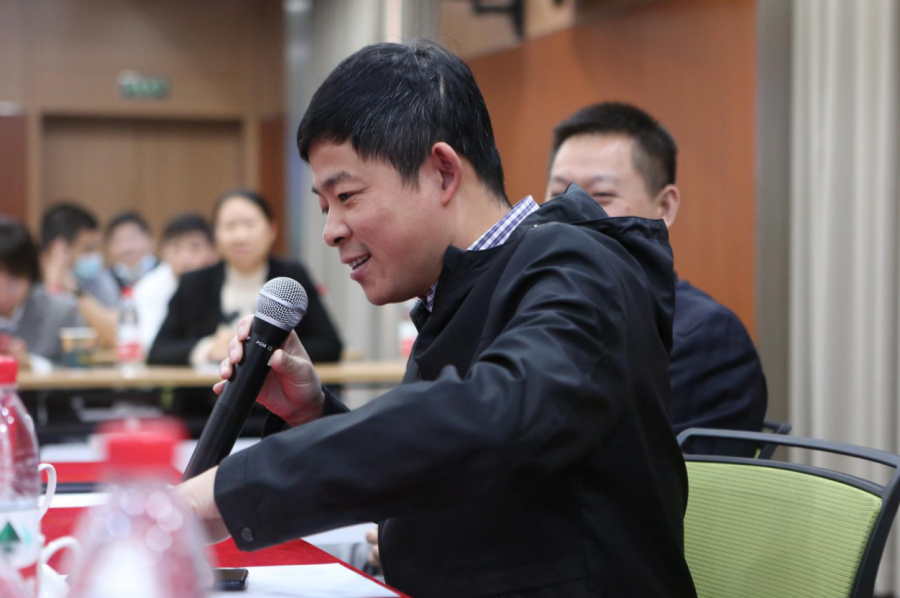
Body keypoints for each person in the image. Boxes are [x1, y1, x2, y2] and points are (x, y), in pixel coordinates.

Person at [178, 41, 696, 598]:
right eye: (326, 206)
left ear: (444, 172)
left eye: (347, 195)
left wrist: (232, 487)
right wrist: (313, 413)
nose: (331, 230)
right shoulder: (458, 288)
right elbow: (440, 474)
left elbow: (491, 416)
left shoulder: (579, 268)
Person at [546, 102, 767, 455]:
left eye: (602, 195)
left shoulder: (707, 337)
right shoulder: (532, 312)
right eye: (558, 195)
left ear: (664, 207)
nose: (571, 212)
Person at [148, 190, 343, 366]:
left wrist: (265, 349)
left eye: (249, 224)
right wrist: (209, 348)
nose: (240, 236)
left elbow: (329, 346)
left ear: (271, 230)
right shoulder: (195, 282)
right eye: (230, 226)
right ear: (215, 235)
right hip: (209, 392)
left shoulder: (291, 276)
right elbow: (159, 350)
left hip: (278, 390)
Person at [0, 218, 83, 366]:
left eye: (13, 280)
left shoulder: (62, 312)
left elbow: (80, 371)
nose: (2, 290)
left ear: (30, 276)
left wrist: (32, 364)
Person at [133, 214, 218, 353]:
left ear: (212, 251)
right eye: (176, 248)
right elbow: (148, 343)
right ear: (163, 252)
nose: (185, 257)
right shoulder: (148, 288)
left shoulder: (220, 279)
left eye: (194, 247)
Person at [40, 203, 120, 346]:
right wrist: (53, 286)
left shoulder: (98, 278)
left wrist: (75, 293)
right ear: (58, 248)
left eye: (97, 248)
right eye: (88, 248)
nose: (96, 255)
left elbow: (117, 334)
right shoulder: (27, 280)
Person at [105, 211, 159, 289]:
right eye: (120, 240)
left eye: (133, 238)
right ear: (110, 247)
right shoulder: (106, 278)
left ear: (150, 240)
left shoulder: (166, 271)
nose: (128, 247)